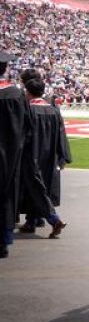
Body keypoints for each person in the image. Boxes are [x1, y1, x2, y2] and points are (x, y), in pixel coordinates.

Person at [18, 78, 69, 237]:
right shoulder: (53, 111)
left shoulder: (28, 110)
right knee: (39, 189)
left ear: (28, 92)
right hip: (49, 157)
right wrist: (62, 156)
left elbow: (22, 135)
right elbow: (61, 134)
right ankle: (31, 222)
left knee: (36, 189)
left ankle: (54, 219)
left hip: (31, 155)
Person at [0, 51, 28, 258]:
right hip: (7, 155)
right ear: (5, 68)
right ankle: (2, 241)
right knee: (5, 194)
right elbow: (25, 126)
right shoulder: (15, 94)